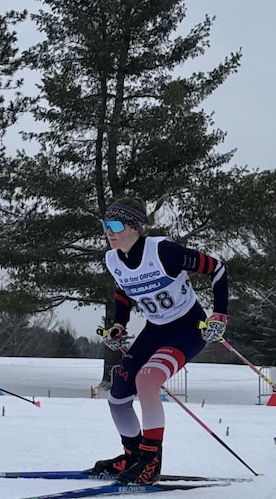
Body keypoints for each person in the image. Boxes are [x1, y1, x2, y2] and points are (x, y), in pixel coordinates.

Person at [91, 197, 229, 484]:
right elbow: (122, 290)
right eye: (105, 225)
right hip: (155, 329)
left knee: (148, 379)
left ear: (135, 227)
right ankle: (132, 457)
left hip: (188, 328)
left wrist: (220, 315)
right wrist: (119, 325)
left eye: (115, 224)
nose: (109, 231)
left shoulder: (164, 251)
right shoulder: (112, 259)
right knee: (117, 398)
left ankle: (150, 462)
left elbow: (217, 269)